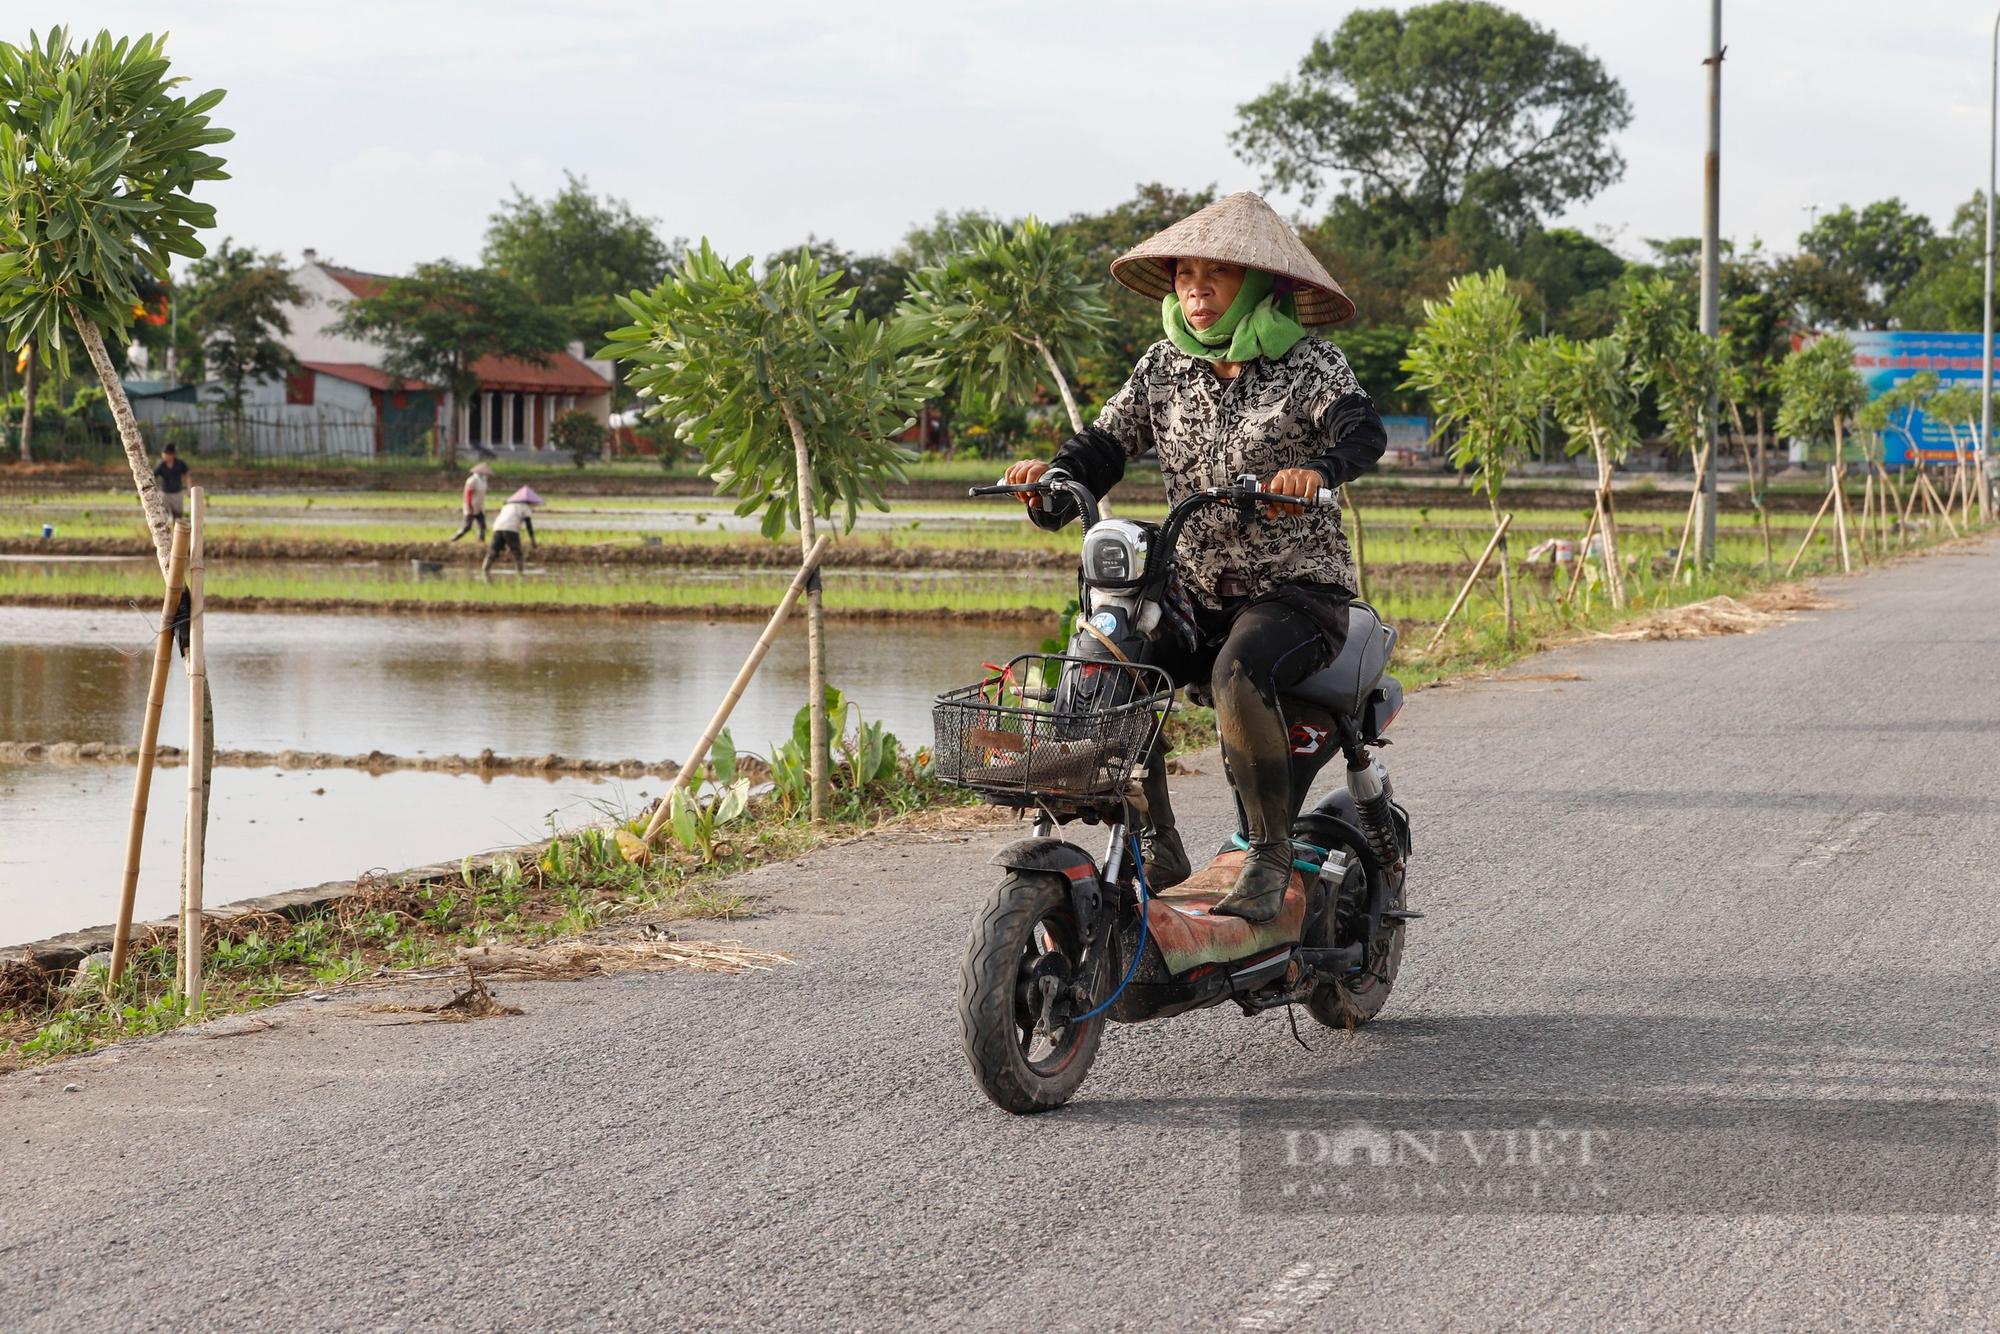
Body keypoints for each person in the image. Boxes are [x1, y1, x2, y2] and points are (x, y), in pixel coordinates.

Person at [1002, 192, 1386, 923]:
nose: (1196, 290)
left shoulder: (1310, 363)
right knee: (1114, 654)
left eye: (1215, 275)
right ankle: (1157, 838)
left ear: (1258, 286)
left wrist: (1321, 471)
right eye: (1184, 275)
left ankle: (1269, 857)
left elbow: (1359, 428)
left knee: (1236, 673)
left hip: (1296, 590)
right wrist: (1052, 486)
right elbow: (1104, 446)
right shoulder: (1164, 366)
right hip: (1194, 586)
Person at [483, 486, 542, 577]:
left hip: (497, 528)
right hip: (511, 529)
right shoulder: (525, 507)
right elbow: (528, 525)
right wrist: (533, 540)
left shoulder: (507, 506)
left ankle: (485, 570)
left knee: (493, 551)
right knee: (517, 552)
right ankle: (520, 573)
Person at [451, 462, 494, 541]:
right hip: (471, 506)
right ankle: (453, 539)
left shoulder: (483, 481)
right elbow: (468, 494)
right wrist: (470, 505)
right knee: (467, 527)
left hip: (479, 506)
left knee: (482, 526)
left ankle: (481, 542)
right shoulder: (472, 481)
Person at [153, 445, 190, 520]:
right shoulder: (161, 465)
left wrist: (188, 488)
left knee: (178, 517)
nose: (164, 456)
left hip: (177, 493)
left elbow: (187, 476)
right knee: (163, 516)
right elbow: (153, 477)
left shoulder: (180, 464)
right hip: (164, 493)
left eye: (166, 454)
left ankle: (177, 531)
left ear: (172, 455)